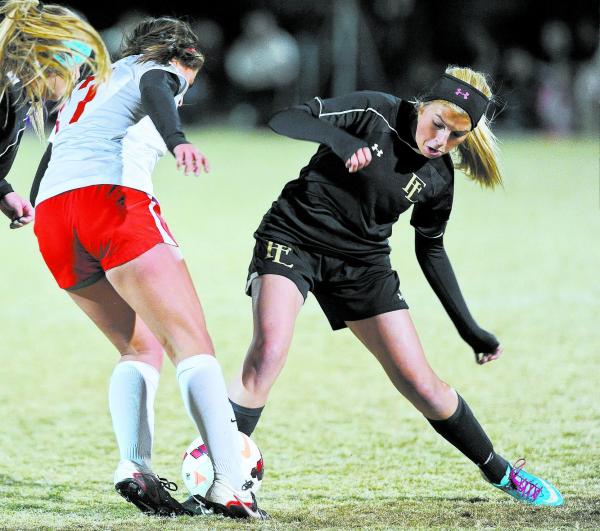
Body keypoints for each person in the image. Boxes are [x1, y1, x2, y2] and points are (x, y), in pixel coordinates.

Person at [228, 66, 564, 507]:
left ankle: (500, 471)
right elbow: (287, 117)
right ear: (424, 104)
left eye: (456, 136)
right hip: (293, 238)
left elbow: (432, 252)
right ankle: (223, 474)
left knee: (422, 384)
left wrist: (469, 328)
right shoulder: (376, 110)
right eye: (438, 124)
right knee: (269, 351)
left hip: (364, 264)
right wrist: (341, 139)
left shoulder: (440, 177)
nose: (441, 140)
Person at [31, 17, 266, 519]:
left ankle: (134, 465)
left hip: (53, 219)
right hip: (112, 201)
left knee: (139, 345)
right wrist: (178, 137)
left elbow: (52, 154)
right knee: (192, 345)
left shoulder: (91, 82)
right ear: (178, 56)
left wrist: (30, 205)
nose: (183, 91)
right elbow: (160, 86)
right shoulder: (159, 68)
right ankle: (229, 482)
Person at [0, 0, 110, 230]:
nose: (78, 75)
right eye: (76, 65)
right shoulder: (7, 97)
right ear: (52, 62)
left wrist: (2, 190)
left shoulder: (16, 93)